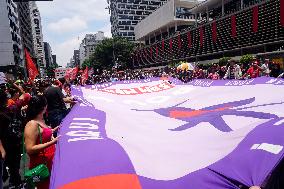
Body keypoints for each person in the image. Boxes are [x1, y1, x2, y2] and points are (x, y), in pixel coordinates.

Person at [24, 95, 60, 189]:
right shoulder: (32, 124)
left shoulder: (40, 119)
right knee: (43, 186)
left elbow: (42, 134)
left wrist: (53, 130)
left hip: (49, 161)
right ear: (44, 107)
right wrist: (53, 142)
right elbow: (29, 149)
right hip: (40, 165)